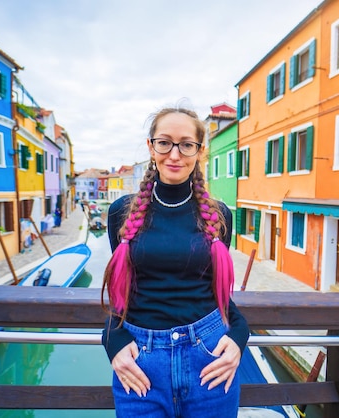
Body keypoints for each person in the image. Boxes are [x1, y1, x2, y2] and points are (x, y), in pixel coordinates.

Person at [101, 105, 249, 418]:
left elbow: (220, 297)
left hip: (209, 356)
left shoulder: (220, 215)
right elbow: (120, 293)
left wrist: (238, 338)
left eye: (186, 144)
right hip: (141, 363)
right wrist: (112, 340)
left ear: (199, 151)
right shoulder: (120, 212)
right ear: (151, 146)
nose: (174, 154)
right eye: (164, 142)